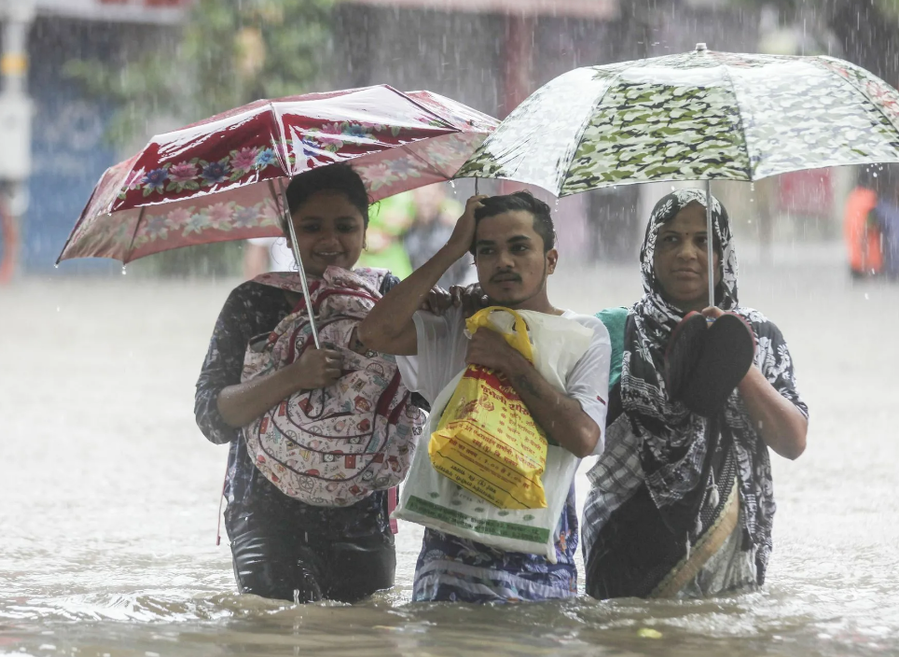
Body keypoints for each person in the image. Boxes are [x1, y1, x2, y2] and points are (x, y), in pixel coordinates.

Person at [358, 191, 611, 603]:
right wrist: (450, 251)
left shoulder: (584, 335)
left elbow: (584, 438)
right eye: (487, 251)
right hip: (445, 577)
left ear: (551, 260)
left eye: (519, 248)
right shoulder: (456, 322)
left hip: (540, 576)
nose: (504, 262)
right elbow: (374, 334)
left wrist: (510, 362)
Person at [583, 190, 808, 600]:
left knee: (717, 655)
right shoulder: (614, 331)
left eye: (704, 241)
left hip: (726, 553)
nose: (687, 252)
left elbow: (792, 441)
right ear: (650, 253)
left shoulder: (760, 336)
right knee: (621, 654)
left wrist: (731, 351)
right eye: (670, 239)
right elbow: (575, 431)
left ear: (724, 256)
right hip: (625, 552)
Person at [194, 164, 403, 603]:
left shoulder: (388, 297)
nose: (330, 241)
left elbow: (426, 389)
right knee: (273, 643)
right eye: (311, 227)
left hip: (362, 515)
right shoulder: (253, 301)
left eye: (345, 226)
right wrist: (293, 375)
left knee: (362, 646)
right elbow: (213, 417)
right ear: (287, 234)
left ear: (366, 231)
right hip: (265, 516)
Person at [403, 183, 473, 289]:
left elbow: (467, 266)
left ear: (441, 195)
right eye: (421, 196)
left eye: (430, 195)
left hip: (450, 294)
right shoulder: (406, 229)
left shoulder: (451, 227)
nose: (425, 201)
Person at [843, 169, 883, 279]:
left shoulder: (852, 198)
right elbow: (866, 231)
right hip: (869, 264)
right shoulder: (870, 200)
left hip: (854, 261)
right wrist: (866, 265)